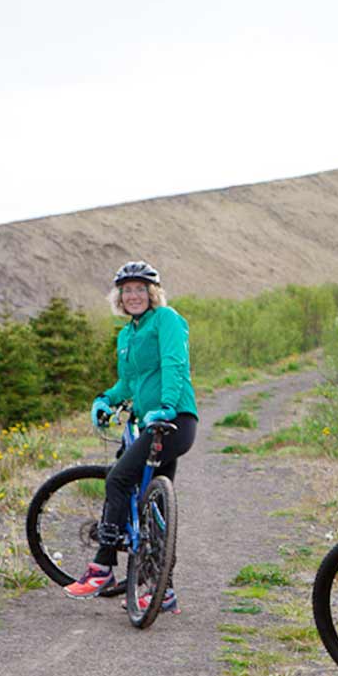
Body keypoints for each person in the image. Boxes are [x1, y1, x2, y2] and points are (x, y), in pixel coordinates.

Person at [63, 261, 199, 616]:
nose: (134, 296)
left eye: (140, 289)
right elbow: (128, 383)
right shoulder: (126, 335)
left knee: (119, 479)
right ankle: (162, 590)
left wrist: (167, 406)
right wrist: (105, 399)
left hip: (175, 420)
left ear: (152, 293)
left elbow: (174, 364)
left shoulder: (166, 319)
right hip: (146, 423)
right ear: (119, 297)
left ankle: (102, 568)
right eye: (127, 291)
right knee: (155, 512)